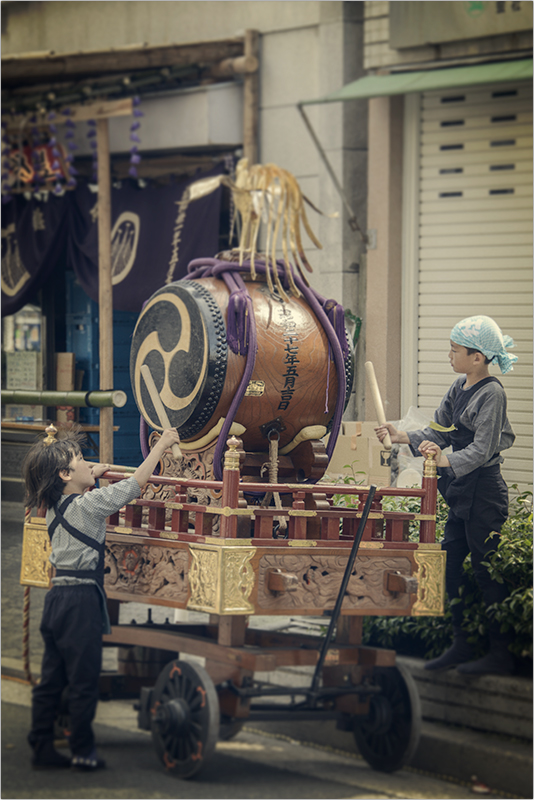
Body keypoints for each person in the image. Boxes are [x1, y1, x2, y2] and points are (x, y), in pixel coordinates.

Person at [22, 425, 181, 770]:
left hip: (56, 599)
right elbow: (135, 484)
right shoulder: (88, 505)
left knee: (52, 678)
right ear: (65, 474)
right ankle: (82, 751)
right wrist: (163, 445)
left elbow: (82, 486)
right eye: (79, 459)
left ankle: (42, 744)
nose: (86, 462)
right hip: (81, 601)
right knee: (83, 679)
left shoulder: (53, 506)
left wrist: (90, 475)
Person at [375, 315, 517, 676]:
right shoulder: (458, 387)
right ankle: (462, 644)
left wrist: (442, 461)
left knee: (487, 571)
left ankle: (501, 652)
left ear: (478, 358)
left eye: (456, 351)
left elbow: (482, 450)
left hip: (484, 490)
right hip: (459, 488)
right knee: (450, 569)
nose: (449, 356)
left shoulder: (492, 394)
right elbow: (438, 429)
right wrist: (400, 433)